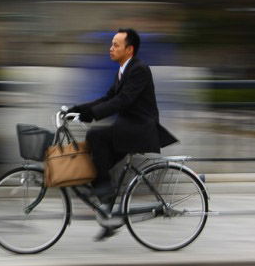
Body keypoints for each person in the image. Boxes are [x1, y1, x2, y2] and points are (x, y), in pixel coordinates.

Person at [68, 28, 177, 240]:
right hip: (128, 128)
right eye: (111, 44)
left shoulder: (139, 69)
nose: (111, 48)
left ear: (129, 49)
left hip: (139, 129)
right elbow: (107, 98)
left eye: (116, 45)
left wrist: (92, 115)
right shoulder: (123, 71)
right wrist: (77, 110)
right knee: (100, 159)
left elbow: (122, 101)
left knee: (96, 137)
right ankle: (108, 213)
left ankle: (104, 195)